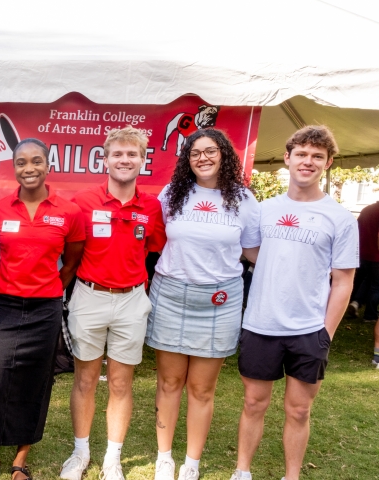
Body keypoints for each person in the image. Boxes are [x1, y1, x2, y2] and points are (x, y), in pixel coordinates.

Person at [231, 126, 358, 480]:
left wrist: (325, 334)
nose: (308, 161)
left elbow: (343, 280)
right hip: (261, 323)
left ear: (328, 163)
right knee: (254, 403)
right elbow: (252, 252)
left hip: (308, 330)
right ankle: (242, 472)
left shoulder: (341, 218)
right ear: (287, 158)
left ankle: (292, 476)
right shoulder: (263, 210)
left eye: (317, 156)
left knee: (299, 410)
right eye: (301, 154)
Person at [146, 129, 261, 480]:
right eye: (195, 153)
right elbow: (154, 236)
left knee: (201, 388)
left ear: (224, 155)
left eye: (210, 151)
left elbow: (254, 253)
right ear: (187, 159)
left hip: (219, 301)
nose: (203, 158)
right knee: (169, 383)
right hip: (171, 296)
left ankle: (191, 464)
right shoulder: (173, 194)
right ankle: (164, 458)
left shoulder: (244, 200)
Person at [0, 138, 86, 480]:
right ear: (14, 168)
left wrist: (49, 288)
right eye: (21, 162)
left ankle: (21, 457)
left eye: (36, 161)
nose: (29, 168)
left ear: (48, 166)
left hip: (45, 310)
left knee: (35, 383)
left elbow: (72, 261)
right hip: (4, 306)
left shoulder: (69, 212)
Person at [59, 126, 166, 480]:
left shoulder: (151, 206)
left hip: (132, 299)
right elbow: (60, 247)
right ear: (105, 160)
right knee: (85, 381)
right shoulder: (83, 202)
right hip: (89, 296)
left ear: (142, 161)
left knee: (121, 383)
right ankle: (80, 452)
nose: (125, 160)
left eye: (132, 154)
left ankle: (112, 458)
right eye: (118, 154)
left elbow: (156, 249)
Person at [346, 198, 379, 367]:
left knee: (363, 281)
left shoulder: (367, 209)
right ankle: (370, 315)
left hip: (362, 253)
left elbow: (356, 229)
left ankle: (356, 302)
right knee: (376, 286)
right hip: (376, 255)